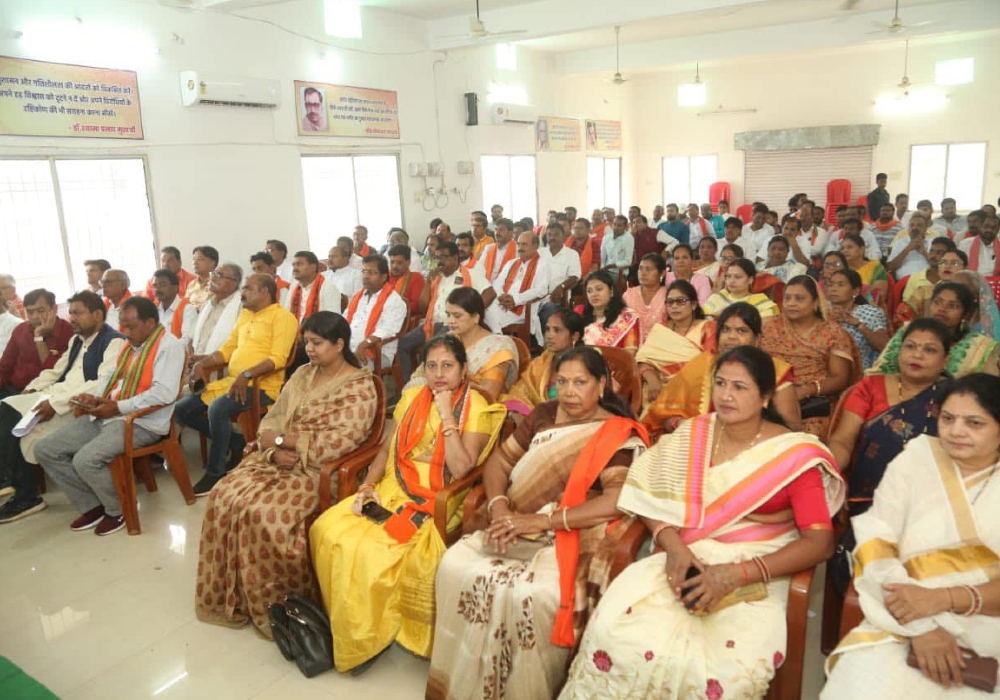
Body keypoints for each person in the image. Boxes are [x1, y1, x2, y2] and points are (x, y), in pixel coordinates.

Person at [561, 345, 844, 699]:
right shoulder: (695, 433)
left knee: (722, 672)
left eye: (739, 387)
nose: (725, 395)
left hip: (757, 570)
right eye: (720, 383)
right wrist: (674, 548)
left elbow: (820, 543)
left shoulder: (793, 455)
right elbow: (645, 489)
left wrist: (736, 574)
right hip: (685, 558)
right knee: (613, 634)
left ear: (767, 396)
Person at [426, 347, 649, 699]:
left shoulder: (614, 431)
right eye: (562, 382)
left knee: (537, 595)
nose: (570, 391)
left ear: (602, 384)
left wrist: (542, 521)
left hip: (573, 530)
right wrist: (500, 508)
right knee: (454, 565)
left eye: (580, 382)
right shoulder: (545, 414)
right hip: (514, 519)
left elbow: (615, 501)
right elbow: (499, 464)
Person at [309, 334, 506, 673]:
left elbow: (461, 467)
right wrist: (368, 485)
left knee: (370, 550)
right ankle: (345, 625)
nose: (439, 374)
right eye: (432, 366)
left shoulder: (477, 407)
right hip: (392, 487)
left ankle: (365, 638)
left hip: (440, 497)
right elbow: (386, 449)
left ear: (464, 369)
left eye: (448, 366)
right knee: (325, 529)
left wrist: (446, 416)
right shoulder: (413, 396)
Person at [196, 312, 378, 637]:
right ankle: (234, 597)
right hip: (277, 459)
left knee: (267, 515)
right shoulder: (303, 374)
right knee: (224, 495)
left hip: (319, 471)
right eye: (306, 342)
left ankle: (283, 608)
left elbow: (340, 441)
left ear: (339, 344)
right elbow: (273, 418)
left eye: (317, 343)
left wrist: (283, 442)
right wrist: (273, 448)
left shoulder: (360, 386)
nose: (309, 349)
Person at [823, 373, 1000, 698]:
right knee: (860, 685)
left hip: (988, 626)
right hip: (902, 613)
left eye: (974, 423)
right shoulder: (919, 456)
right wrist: (920, 627)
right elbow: (876, 539)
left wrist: (943, 600)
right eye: (948, 418)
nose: (956, 431)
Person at [33, 297, 186, 536]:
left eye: (131, 326)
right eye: (123, 326)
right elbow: (109, 378)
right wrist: (94, 397)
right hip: (108, 414)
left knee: (85, 460)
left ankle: (118, 510)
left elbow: (164, 394)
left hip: (141, 422)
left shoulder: (169, 346)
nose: (125, 332)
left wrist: (118, 407)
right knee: (45, 449)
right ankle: (93, 505)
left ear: (150, 323)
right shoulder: (130, 346)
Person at [824, 318, 950, 594]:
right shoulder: (870, 387)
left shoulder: (953, 399)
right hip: (871, 504)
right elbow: (843, 441)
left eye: (929, 350)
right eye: (911, 346)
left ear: (945, 359)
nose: (917, 354)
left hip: (934, 509)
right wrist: (834, 477)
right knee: (864, 569)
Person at [0, 292, 125, 524]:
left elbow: (101, 383)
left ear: (97, 314)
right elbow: (56, 371)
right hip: (55, 396)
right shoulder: (78, 340)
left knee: (16, 425)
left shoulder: (113, 341)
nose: (73, 318)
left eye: (78, 313)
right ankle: (15, 486)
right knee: (7, 410)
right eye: (72, 312)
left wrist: (55, 404)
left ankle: (19, 490)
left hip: (77, 406)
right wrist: (32, 389)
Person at [176, 274, 299, 496]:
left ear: (265, 292)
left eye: (248, 288)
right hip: (233, 382)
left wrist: (248, 373)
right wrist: (203, 364)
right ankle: (235, 440)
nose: (242, 293)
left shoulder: (283, 317)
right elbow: (228, 349)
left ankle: (216, 473)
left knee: (217, 409)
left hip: (263, 386)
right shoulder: (245, 315)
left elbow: (279, 359)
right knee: (182, 410)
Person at [644, 302, 801, 439]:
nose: (731, 337)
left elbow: (791, 431)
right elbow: (661, 415)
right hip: (698, 448)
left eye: (741, 331)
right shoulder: (702, 364)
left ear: (758, 338)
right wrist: (681, 424)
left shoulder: (776, 371)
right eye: (725, 330)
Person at [760, 275, 857, 437]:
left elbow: (840, 378)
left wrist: (805, 390)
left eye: (799, 298)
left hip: (811, 404)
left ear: (815, 303)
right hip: (768, 397)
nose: (791, 303)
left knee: (804, 439)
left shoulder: (832, 333)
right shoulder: (769, 326)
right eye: (787, 298)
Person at [397, 241, 493, 384]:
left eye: (443, 257)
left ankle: (432, 383)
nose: (439, 261)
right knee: (403, 343)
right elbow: (423, 307)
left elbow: (490, 293)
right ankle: (409, 383)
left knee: (432, 347)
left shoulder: (471, 274)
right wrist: (428, 282)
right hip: (431, 323)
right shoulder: (436, 277)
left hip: (453, 325)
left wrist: (471, 313)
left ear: (455, 258)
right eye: (437, 257)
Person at [407, 287, 517, 403]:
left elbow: (488, 396)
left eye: (457, 315)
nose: (450, 321)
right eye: (448, 315)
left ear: (476, 317)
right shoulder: (448, 340)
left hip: (476, 410)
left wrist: (447, 389)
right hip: (438, 400)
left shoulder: (498, 348)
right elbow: (421, 374)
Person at [870, 282, 1000, 379]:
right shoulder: (908, 331)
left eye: (953, 306)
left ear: (966, 315)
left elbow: (989, 391)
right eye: (937, 302)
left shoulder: (980, 347)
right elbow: (878, 371)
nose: (942, 309)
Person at [636, 279, 716, 407]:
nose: (674, 306)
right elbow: (642, 360)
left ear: (694, 304)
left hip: (695, 389)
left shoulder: (708, 327)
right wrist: (652, 380)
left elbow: (709, 364)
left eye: (680, 301)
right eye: (670, 302)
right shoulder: (660, 329)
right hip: (659, 388)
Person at [502, 309, 584, 417]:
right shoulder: (540, 363)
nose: (549, 335)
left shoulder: (585, 366)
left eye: (557, 330)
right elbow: (519, 392)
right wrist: (520, 417)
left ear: (574, 336)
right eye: (547, 329)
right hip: (537, 421)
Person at [0, 289, 74, 400]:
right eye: (30, 312)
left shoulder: (68, 332)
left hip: (44, 393)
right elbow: (5, 367)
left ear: (54, 308)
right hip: (13, 389)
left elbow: (53, 373)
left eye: (40, 310)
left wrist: (39, 337)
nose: (35, 316)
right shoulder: (21, 329)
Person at [484, 231, 549, 344]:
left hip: (523, 309)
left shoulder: (543, 265)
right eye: (519, 244)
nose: (520, 248)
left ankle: (499, 342)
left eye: (524, 244)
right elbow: (497, 283)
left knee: (486, 312)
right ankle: (499, 338)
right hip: (502, 304)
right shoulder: (511, 263)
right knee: (481, 308)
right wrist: (502, 297)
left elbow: (541, 290)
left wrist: (515, 299)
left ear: (535, 246)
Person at [345, 254, 407, 369]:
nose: (366, 276)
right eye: (364, 272)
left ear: (384, 276)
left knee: (346, 371)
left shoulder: (394, 301)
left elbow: (387, 330)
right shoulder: (358, 296)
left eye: (371, 273)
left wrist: (363, 345)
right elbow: (344, 320)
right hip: (348, 347)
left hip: (376, 352)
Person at [827, 268, 890, 369]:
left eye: (841, 285)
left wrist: (858, 324)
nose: (833, 289)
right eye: (831, 284)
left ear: (855, 291)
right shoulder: (821, 310)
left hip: (859, 372)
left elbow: (885, 347)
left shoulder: (871, 313)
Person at [578, 270, 640, 353]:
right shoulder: (580, 312)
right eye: (589, 291)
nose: (594, 294)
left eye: (599, 289)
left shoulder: (627, 317)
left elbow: (630, 353)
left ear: (611, 291)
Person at [537, 221, 582, 330]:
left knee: (550, 308)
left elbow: (575, 276)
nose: (552, 237)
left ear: (563, 236)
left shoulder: (571, 254)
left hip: (558, 297)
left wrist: (560, 288)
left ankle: (547, 341)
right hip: (536, 296)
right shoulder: (539, 253)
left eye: (556, 234)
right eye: (549, 235)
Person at [191, 264, 243, 357]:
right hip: (196, 363)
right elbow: (194, 336)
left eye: (219, 275)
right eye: (214, 274)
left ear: (234, 282)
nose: (213, 279)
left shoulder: (241, 306)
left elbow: (239, 344)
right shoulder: (207, 303)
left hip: (219, 366)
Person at [702, 258, 779, 319]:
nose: (731, 281)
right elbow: (700, 321)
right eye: (728, 276)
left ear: (750, 280)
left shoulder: (761, 303)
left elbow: (765, 328)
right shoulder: (717, 298)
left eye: (737, 277)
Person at [285, 251, 342, 323]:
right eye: (293, 265)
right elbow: (286, 313)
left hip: (318, 331)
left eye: (299, 264)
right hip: (294, 330)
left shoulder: (328, 288)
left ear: (313, 267)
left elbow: (333, 320)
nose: (295, 268)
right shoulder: (294, 286)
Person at [622, 253, 667, 344]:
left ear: (662, 273)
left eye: (649, 269)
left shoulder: (668, 295)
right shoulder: (629, 295)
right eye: (640, 268)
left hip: (660, 346)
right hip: (630, 345)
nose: (643, 273)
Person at [151, 269, 197, 346]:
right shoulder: (152, 309)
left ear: (176, 288)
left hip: (175, 355)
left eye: (162, 285)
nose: (157, 289)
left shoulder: (187, 309)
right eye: (155, 286)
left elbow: (186, 341)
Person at [841, 233, 889, 306]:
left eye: (849, 247)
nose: (845, 251)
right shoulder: (840, 269)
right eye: (842, 248)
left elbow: (880, 295)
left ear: (862, 249)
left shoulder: (876, 267)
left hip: (869, 311)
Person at [959, 212, 1000, 276]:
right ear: (980, 226)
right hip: (971, 281)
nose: (989, 230)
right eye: (986, 226)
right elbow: (959, 268)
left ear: (998, 230)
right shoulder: (965, 244)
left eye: (993, 227)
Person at [477, 219, 517, 283]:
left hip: (507, 288)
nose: (497, 233)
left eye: (501, 230)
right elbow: (479, 269)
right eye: (496, 229)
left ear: (510, 233)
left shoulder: (517, 250)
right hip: (487, 286)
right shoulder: (488, 248)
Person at [185, 246, 219, 311]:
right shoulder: (191, 284)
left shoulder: (218, 284)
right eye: (194, 259)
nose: (195, 262)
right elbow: (184, 306)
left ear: (213, 262)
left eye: (199, 259)